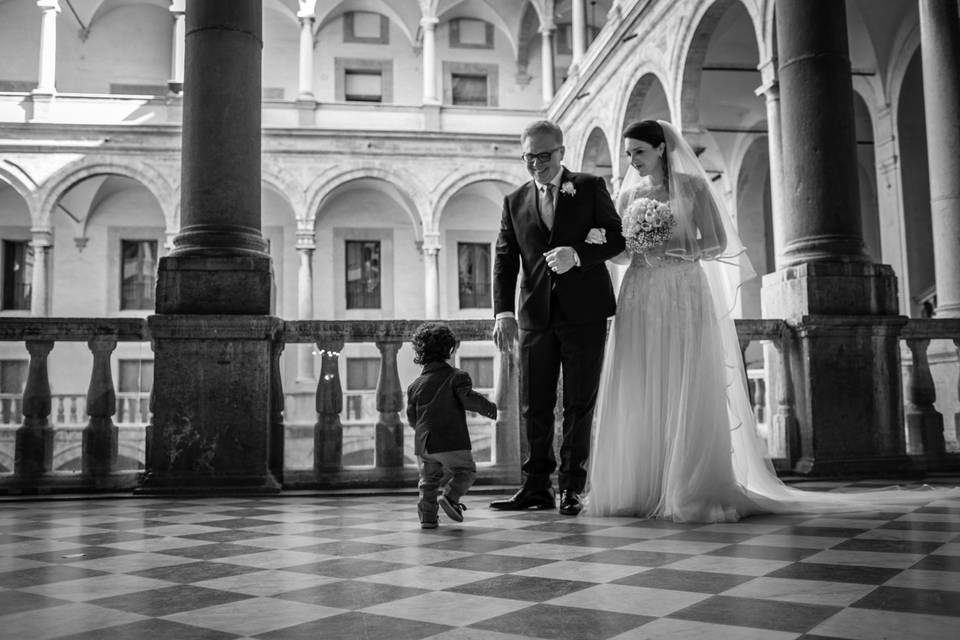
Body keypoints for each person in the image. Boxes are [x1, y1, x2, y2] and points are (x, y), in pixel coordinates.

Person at [585, 119, 959, 522]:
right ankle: (642, 486)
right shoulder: (626, 196)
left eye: (638, 151)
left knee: (682, 378)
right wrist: (608, 246)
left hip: (681, 288)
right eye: (628, 154)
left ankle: (684, 485)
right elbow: (623, 254)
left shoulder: (691, 188)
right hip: (641, 292)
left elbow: (718, 243)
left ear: (661, 149)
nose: (632, 161)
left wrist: (672, 243)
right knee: (640, 379)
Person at [490, 119, 625, 516]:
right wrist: (502, 311)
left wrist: (578, 256)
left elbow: (617, 239)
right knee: (534, 404)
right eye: (529, 158)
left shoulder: (589, 187)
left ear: (562, 152)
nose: (536, 165)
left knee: (579, 404)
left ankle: (571, 487)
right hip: (534, 315)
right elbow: (504, 259)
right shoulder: (514, 201)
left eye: (544, 156)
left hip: (585, 311)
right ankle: (535, 487)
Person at [406, 322, 497, 529]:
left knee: (429, 481)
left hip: (424, 444)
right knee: (466, 471)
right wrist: (492, 409)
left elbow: (412, 417)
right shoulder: (457, 377)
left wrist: (422, 433)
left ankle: (427, 517)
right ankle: (451, 497)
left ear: (420, 351)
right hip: (450, 439)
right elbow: (469, 400)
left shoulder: (414, 386)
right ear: (450, 349)